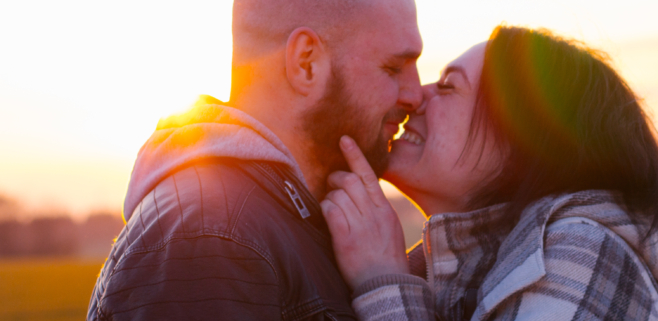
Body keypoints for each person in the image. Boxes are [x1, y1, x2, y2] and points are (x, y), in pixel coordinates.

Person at [321, 26, 658, 320]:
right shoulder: (485, 267)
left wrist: (384, 284)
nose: (416, 96)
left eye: (449, 87)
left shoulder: (582, 255)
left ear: (523, 137)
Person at [87, 0, 423, 320]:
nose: (416, 94)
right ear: (306, 63)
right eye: (393, 68)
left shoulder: (285, 223)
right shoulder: (211, 240)